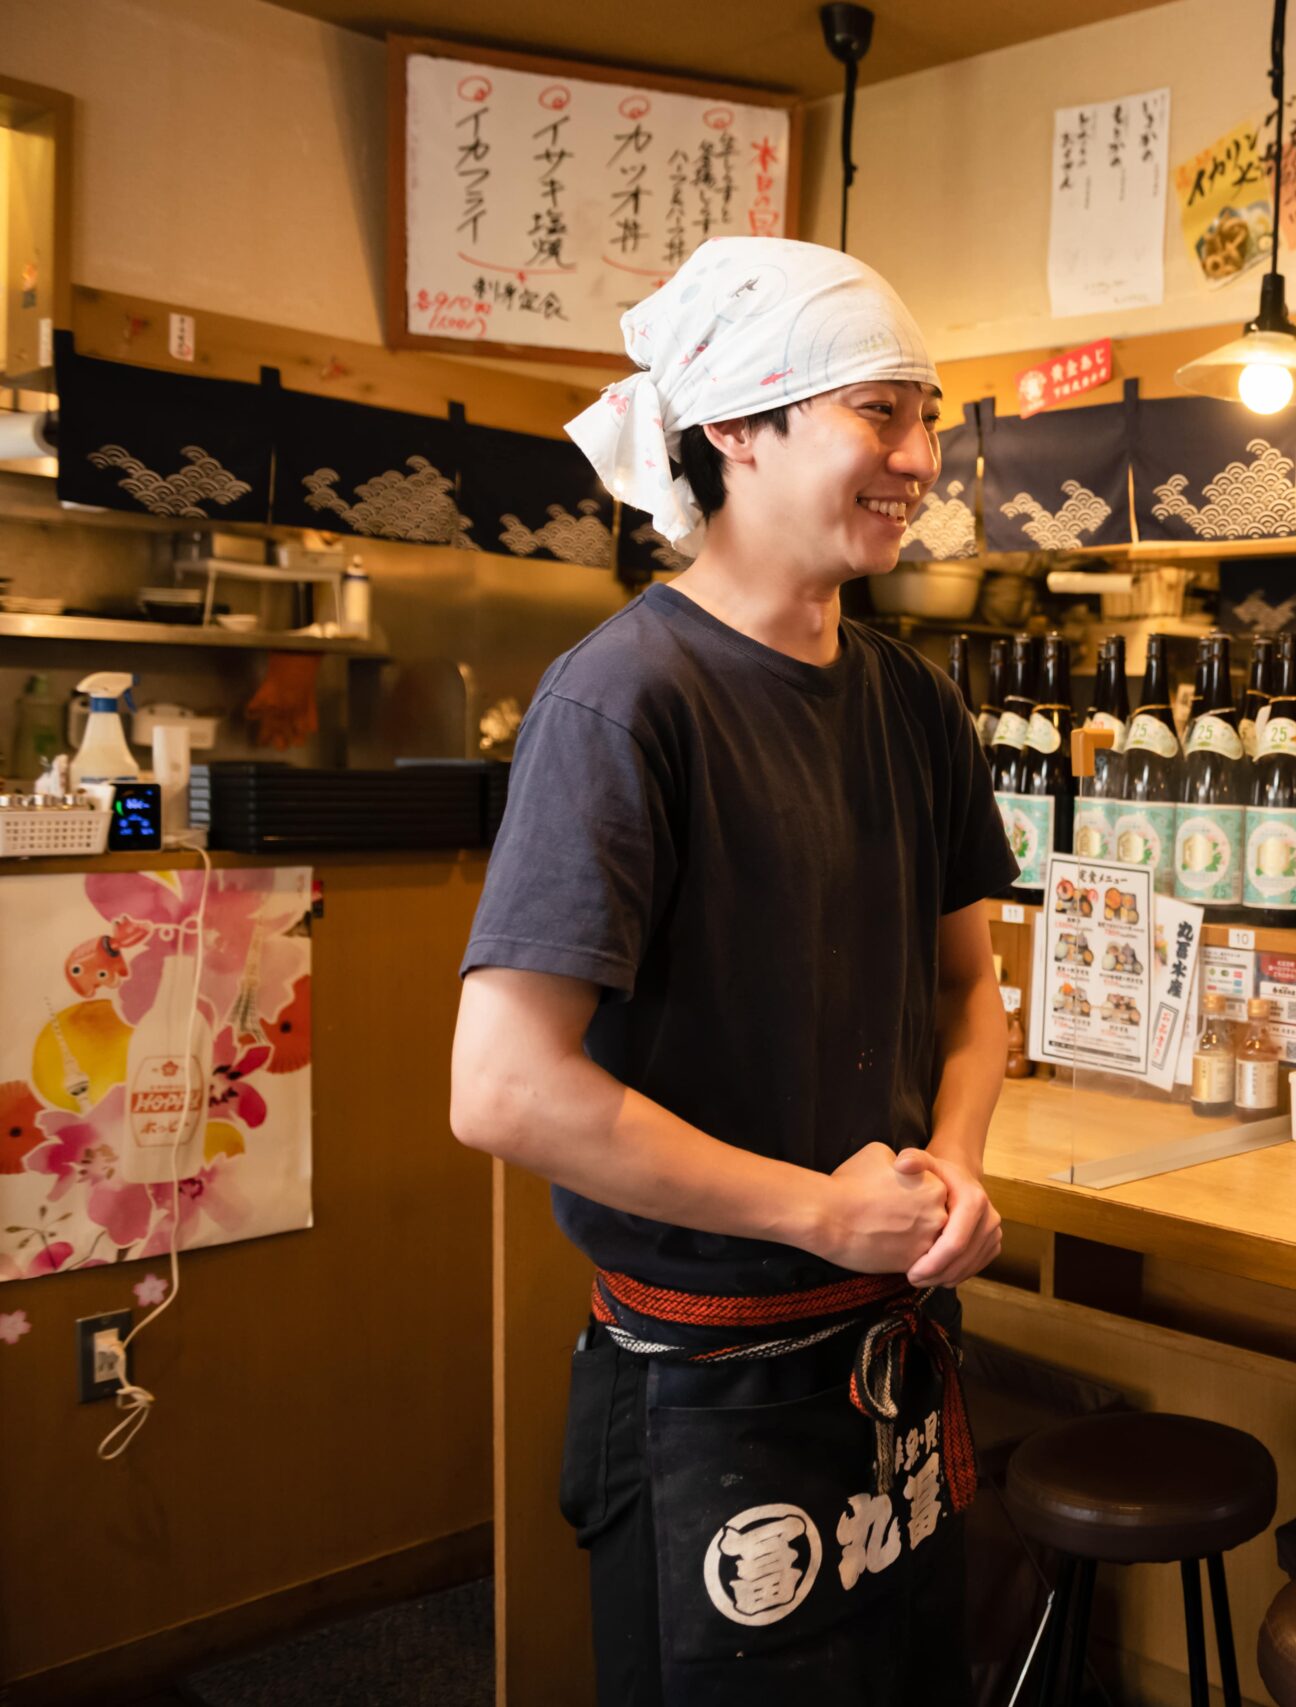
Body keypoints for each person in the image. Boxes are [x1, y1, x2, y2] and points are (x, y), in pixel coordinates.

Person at [450, 238, 1018, 1706]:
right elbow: (504, 1086)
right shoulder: (623, 701)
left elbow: (968, 994)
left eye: (928, 413)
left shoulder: (913, 701)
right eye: (876, 412)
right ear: (735, 430)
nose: (917, 454)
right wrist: (820, 1208)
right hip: (703, 1383)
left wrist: (951, 1168)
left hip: (886, 1349)